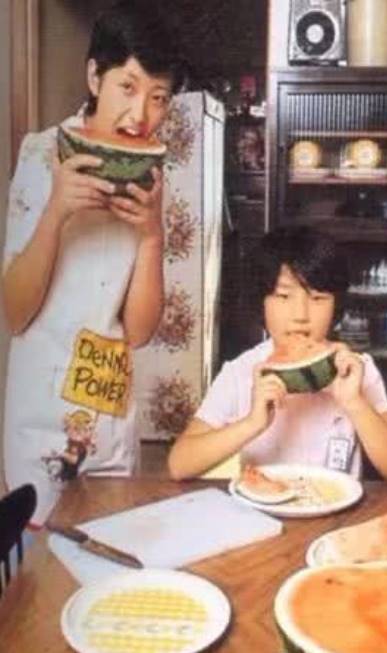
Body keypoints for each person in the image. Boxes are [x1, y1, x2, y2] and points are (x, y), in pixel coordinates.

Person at [1, 1, 186, 526]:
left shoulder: (150, 175)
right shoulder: (39, 155)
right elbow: (14, 312)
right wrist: (56, 211)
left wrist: (151, 236)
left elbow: (139, 332)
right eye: (127, 87)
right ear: (94, 77)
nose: (140, 115)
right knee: (40, 562)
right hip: (40, 416)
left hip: (109, 415)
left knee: (105, 552)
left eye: (158, 97)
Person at [168, 226, 387, 485]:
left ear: (336, 305)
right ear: (262, 302)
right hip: (263, 505)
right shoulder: (240, 372)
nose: (300, 315)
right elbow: (179, 465)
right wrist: (252, 423)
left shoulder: (357, 370)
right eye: (284, 296)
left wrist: (354, 402)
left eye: (317, 298)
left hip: (336, 506)